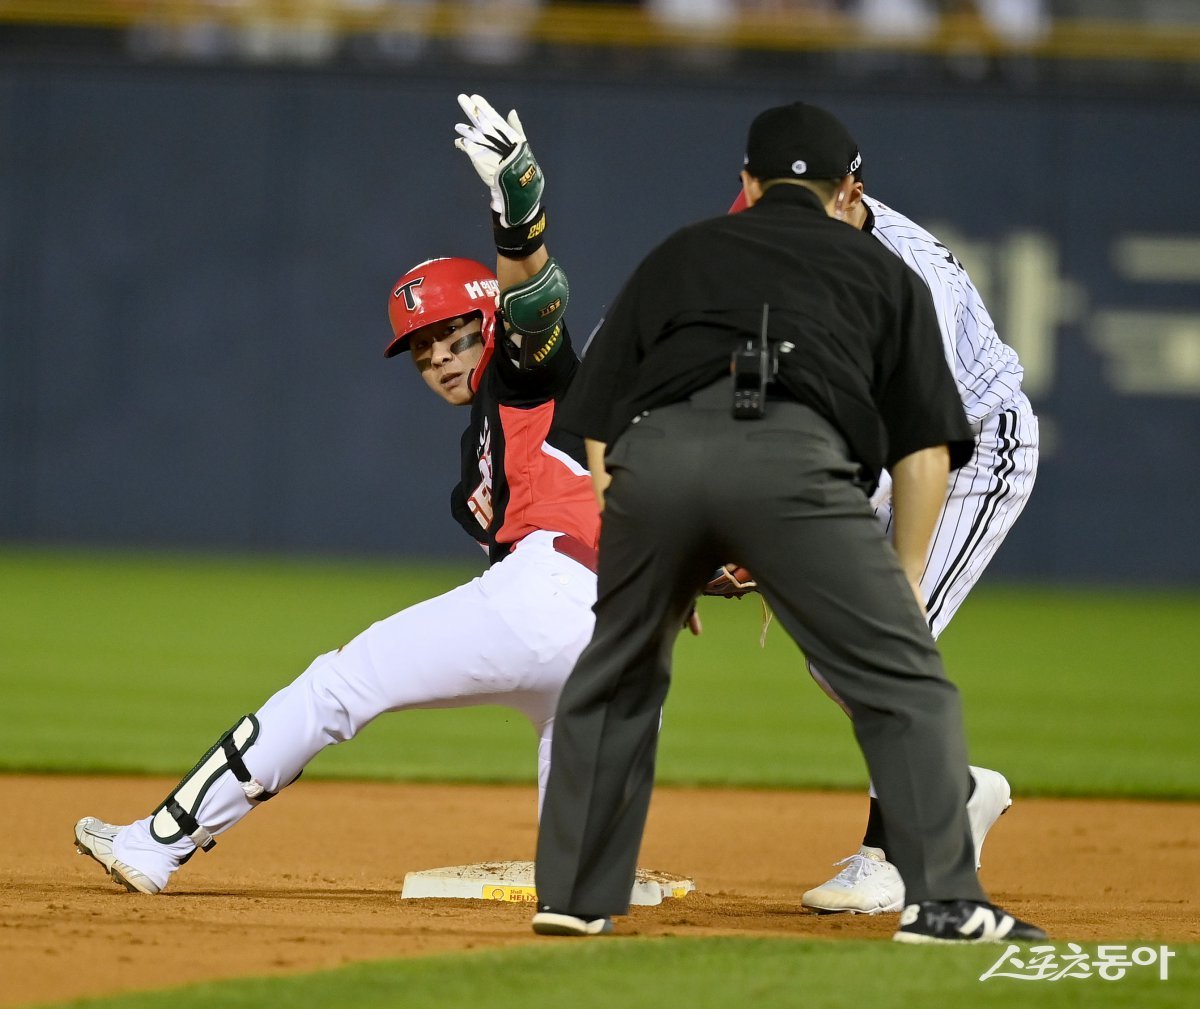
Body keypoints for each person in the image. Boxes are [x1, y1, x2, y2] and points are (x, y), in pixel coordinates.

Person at [531, 101, 1045, 944]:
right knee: (887, 669)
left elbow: (926, 447)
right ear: (836, 187)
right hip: (815, 459)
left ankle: (581, 892)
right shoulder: (752, 248)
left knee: (627, 666)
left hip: (973, 449)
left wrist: (887, 582)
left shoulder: (885, 266)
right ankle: (949, 888)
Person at [73, 93, 601, 895]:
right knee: (576, 871)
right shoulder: (479, 467)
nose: (440, 359)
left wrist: (519, 209)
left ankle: (158, 841)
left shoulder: (527, 374)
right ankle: (583, 883)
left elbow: (536, 303)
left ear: (486, 325)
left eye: (454, 333)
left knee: (337, 684)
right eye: (422, 351)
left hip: (552, 591)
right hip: (619, 622)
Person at [727, 149, 1039, 916]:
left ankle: (894, 853)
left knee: (883, 643)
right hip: (888, 451)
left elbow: (914, 445)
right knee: (838, 661)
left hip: (970, 452)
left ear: (850, 193)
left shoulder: (905, 282)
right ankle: (957, 790)